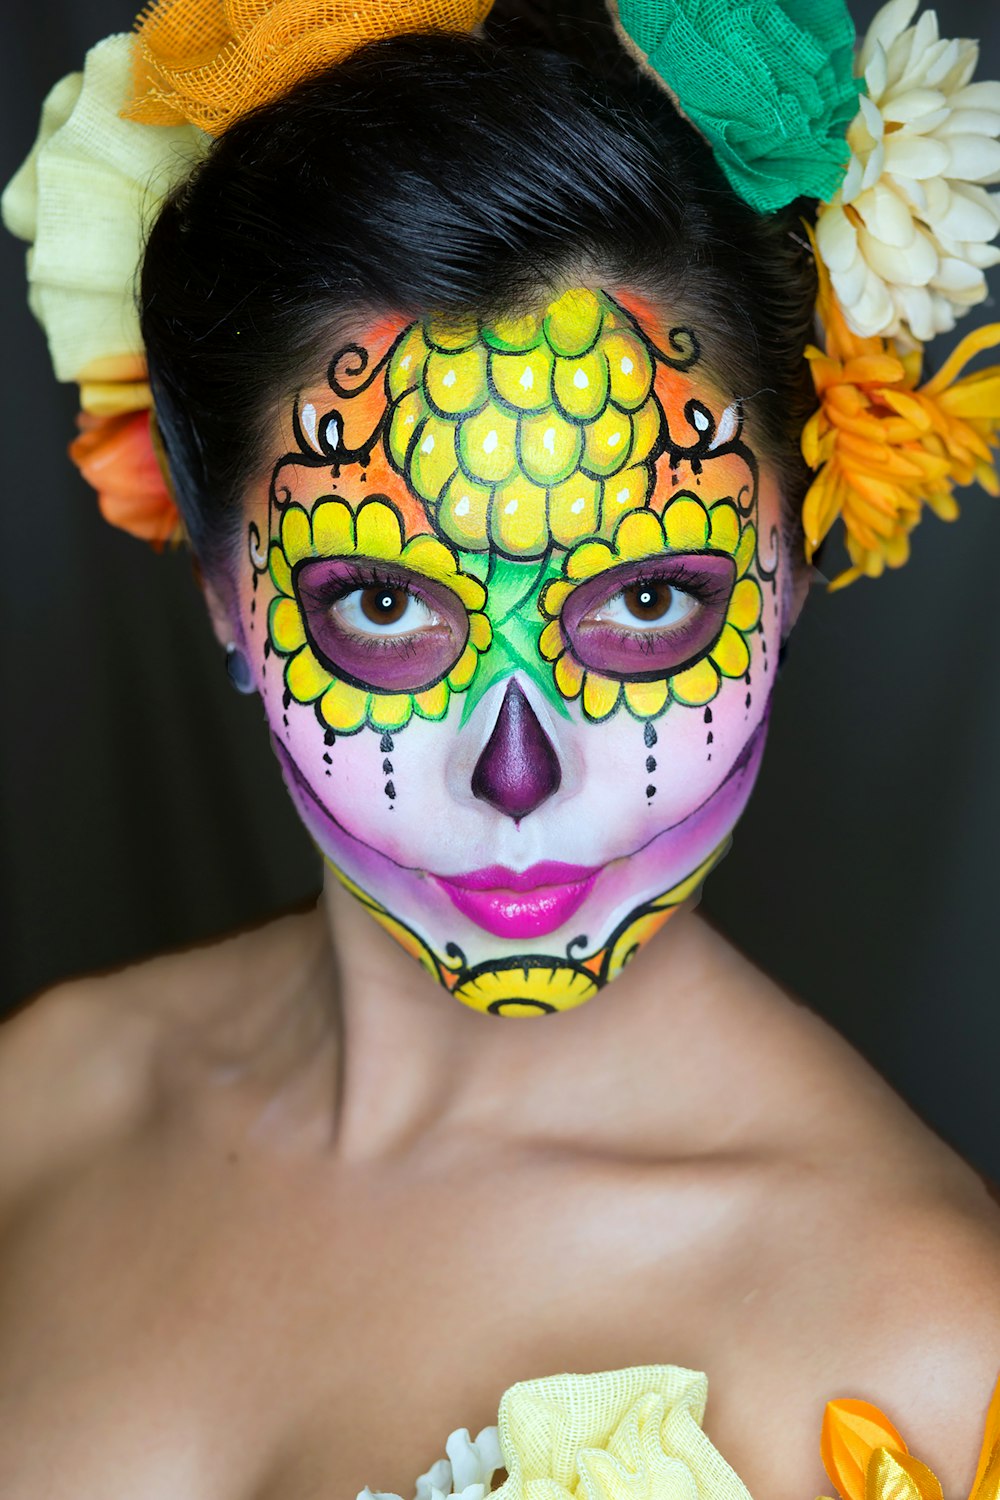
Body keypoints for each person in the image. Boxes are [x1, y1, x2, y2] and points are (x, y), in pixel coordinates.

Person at [1, 1, 999, 1496]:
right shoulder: (43, 1106)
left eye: (649, 599)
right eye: (388, 603)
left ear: (791, 576)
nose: (516, 773)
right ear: (222, 590)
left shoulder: (925, 1343)